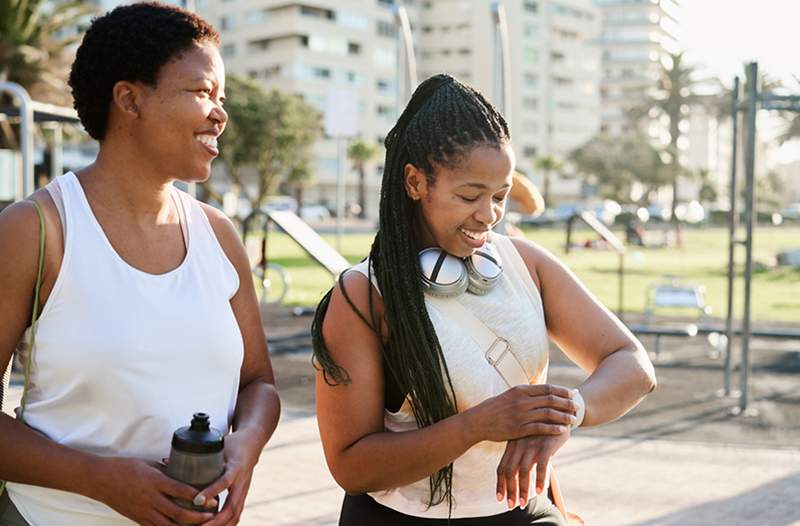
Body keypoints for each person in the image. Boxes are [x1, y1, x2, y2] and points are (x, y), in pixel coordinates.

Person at [311, 74, 657, 525]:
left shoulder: (526, 263)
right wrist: (476, 427)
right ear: (415, 182)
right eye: (469, 195)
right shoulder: (362, 295)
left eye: (500, 196)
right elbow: (351, 466)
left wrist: (566, 415)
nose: (489, 215)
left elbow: (632, 364)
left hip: (522, 512)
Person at [0, 3, 280, 525]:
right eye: (201, 93)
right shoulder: (36, 231)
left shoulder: (218, 235)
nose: (220, 113)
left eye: (222, 97)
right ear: (129, 99)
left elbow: (258, 384)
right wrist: (98, 481)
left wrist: (246, 449)